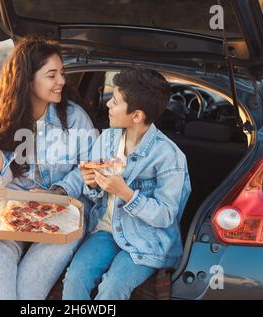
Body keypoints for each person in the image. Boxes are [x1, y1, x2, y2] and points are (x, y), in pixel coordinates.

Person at [0, 36, 97, 300]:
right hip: (13, 211)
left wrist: (58, 191)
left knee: (28, 292)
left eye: (62, 73)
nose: (61, 81)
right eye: (51, 75)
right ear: (28, 79)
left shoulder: (76, 117)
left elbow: (89, 169)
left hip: (64, 211)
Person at [62, 68, 191, 300]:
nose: (108, 105)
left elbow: (165, 215)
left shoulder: (169, 156)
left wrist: (126, 194)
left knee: (112, 287)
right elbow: (94, 195)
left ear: (137, 115)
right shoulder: (108, 138)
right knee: (75, 277)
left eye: (115, 101)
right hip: (105, 231)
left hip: (147, 241)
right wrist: (91, 183)